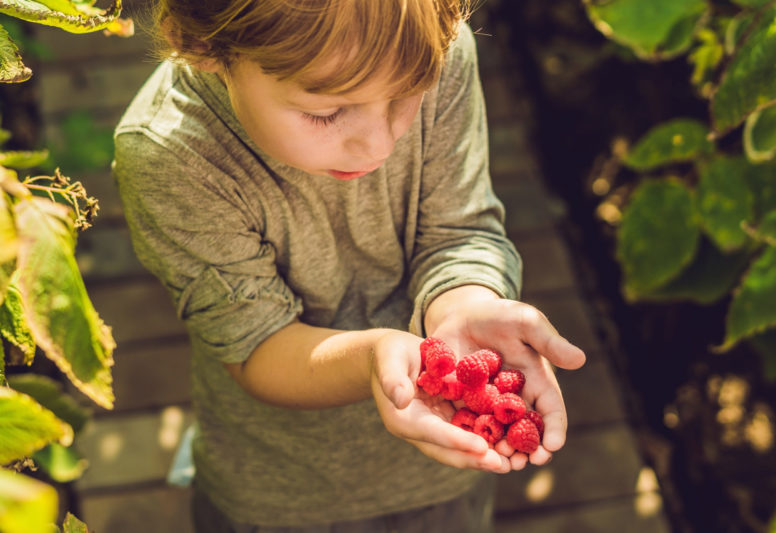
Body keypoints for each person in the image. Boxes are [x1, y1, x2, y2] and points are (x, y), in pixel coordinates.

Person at [112, 0, 586, 531]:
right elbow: (257, 346)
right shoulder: (170, 155)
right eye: (326, 112)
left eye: (407, 95)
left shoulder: (433, 46)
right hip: (283, 495)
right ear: (202, 46)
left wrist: (468, 304)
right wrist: (374, 357)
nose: (379, 142)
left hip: (451, 471)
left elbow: (459, 229)